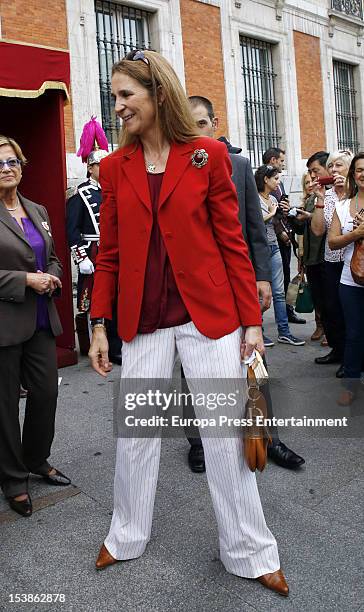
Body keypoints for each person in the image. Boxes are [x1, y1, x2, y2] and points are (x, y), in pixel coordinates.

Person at [88, 50, 289, 596]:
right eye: (114, 96)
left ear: (157, 94)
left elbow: (232, 243)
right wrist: (98, 324)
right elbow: (108, 253)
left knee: (226, 436)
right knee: (137, 435)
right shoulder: (113, 166)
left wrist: (252, 322)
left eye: (126, 94)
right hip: (143, 322)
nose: (118, 106)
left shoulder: (206, 156)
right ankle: (126, 534)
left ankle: (250, 549)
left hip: (211, 319)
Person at [186, 94, 305, 472]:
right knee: (190, 366)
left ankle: (266, 434)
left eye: (202, 125)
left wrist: (263, 277)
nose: (196, 133)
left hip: (238, 281)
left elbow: (255, 227)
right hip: (193, 289)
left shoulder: (237, 165)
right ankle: (199, 440)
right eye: (188, 127)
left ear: (215, 124)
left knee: (254, 357)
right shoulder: (176, 166)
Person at [0, 135, 70, 518]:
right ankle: (12, 479)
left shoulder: (38, 209)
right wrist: (25, 281)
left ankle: (35, 458)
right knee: (5, 406)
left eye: (12, 162)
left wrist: (52, 275)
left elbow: (55, 257)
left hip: (41, 319)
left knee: (46, 394)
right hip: (4, 324)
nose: (7, 169)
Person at [66, 118, 122, 364]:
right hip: (92, 251)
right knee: (91, 303)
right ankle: (91, 346)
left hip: (114, 250)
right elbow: (72, 230)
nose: (106, 168)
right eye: (101, 164)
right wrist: (82, 258)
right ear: (91, 168)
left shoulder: (114, 190)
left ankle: (117, 345)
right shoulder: (80, 195)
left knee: (118, 300)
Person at [310, 150, 353, 377]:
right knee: (332, 309)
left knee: (350, 310)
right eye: (331, 166)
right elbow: (318, 231)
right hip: (331, 259)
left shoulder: (355, 193)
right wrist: (319, 198)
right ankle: (338, 350)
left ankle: (351, 357)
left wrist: (347, 190)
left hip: (352, 261)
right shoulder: (326, 197)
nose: (334, 170)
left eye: (339, 166)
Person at [328, 152, 364, 405]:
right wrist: (357, 233)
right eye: (359, 169)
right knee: (353, 333)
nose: (363, 174)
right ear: (353, 174)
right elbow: (332, 242)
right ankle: (351, 385)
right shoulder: (343, 206)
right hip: (351, 279)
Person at [255, 165, 305, 347]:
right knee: (260, 293)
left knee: (278, 292)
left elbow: (276, 221)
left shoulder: (273, 198)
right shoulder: (254, 198)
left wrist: (286, 211)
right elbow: (256, 221)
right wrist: (272, 213)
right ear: (266, 180)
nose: (278, 182)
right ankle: (256, 329)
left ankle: (284, 332)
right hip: (260, 249)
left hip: (274, 247)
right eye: (275, 178)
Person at [262, 147, 306, 325]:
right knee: (274, 280)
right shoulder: (262, 182)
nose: (283, 164)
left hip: (286, 233)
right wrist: (281, 232)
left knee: (286, 274)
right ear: (273, 160)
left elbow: (281, 208)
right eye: (281, 161)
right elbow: (269, 210)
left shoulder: (279, 182)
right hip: (274, 237)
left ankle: (288, 311)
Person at [283, 171, 326, 343]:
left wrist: (308, 218)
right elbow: (301, 232)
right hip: (308, 253)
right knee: (316, 293)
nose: (310, 184)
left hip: (320, 253)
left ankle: (327, 328)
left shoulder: (321, 199)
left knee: (324, 294)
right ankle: (320, 325)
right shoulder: (306, 201)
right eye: (307, 182)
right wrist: (293, 218)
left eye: (313, 181)